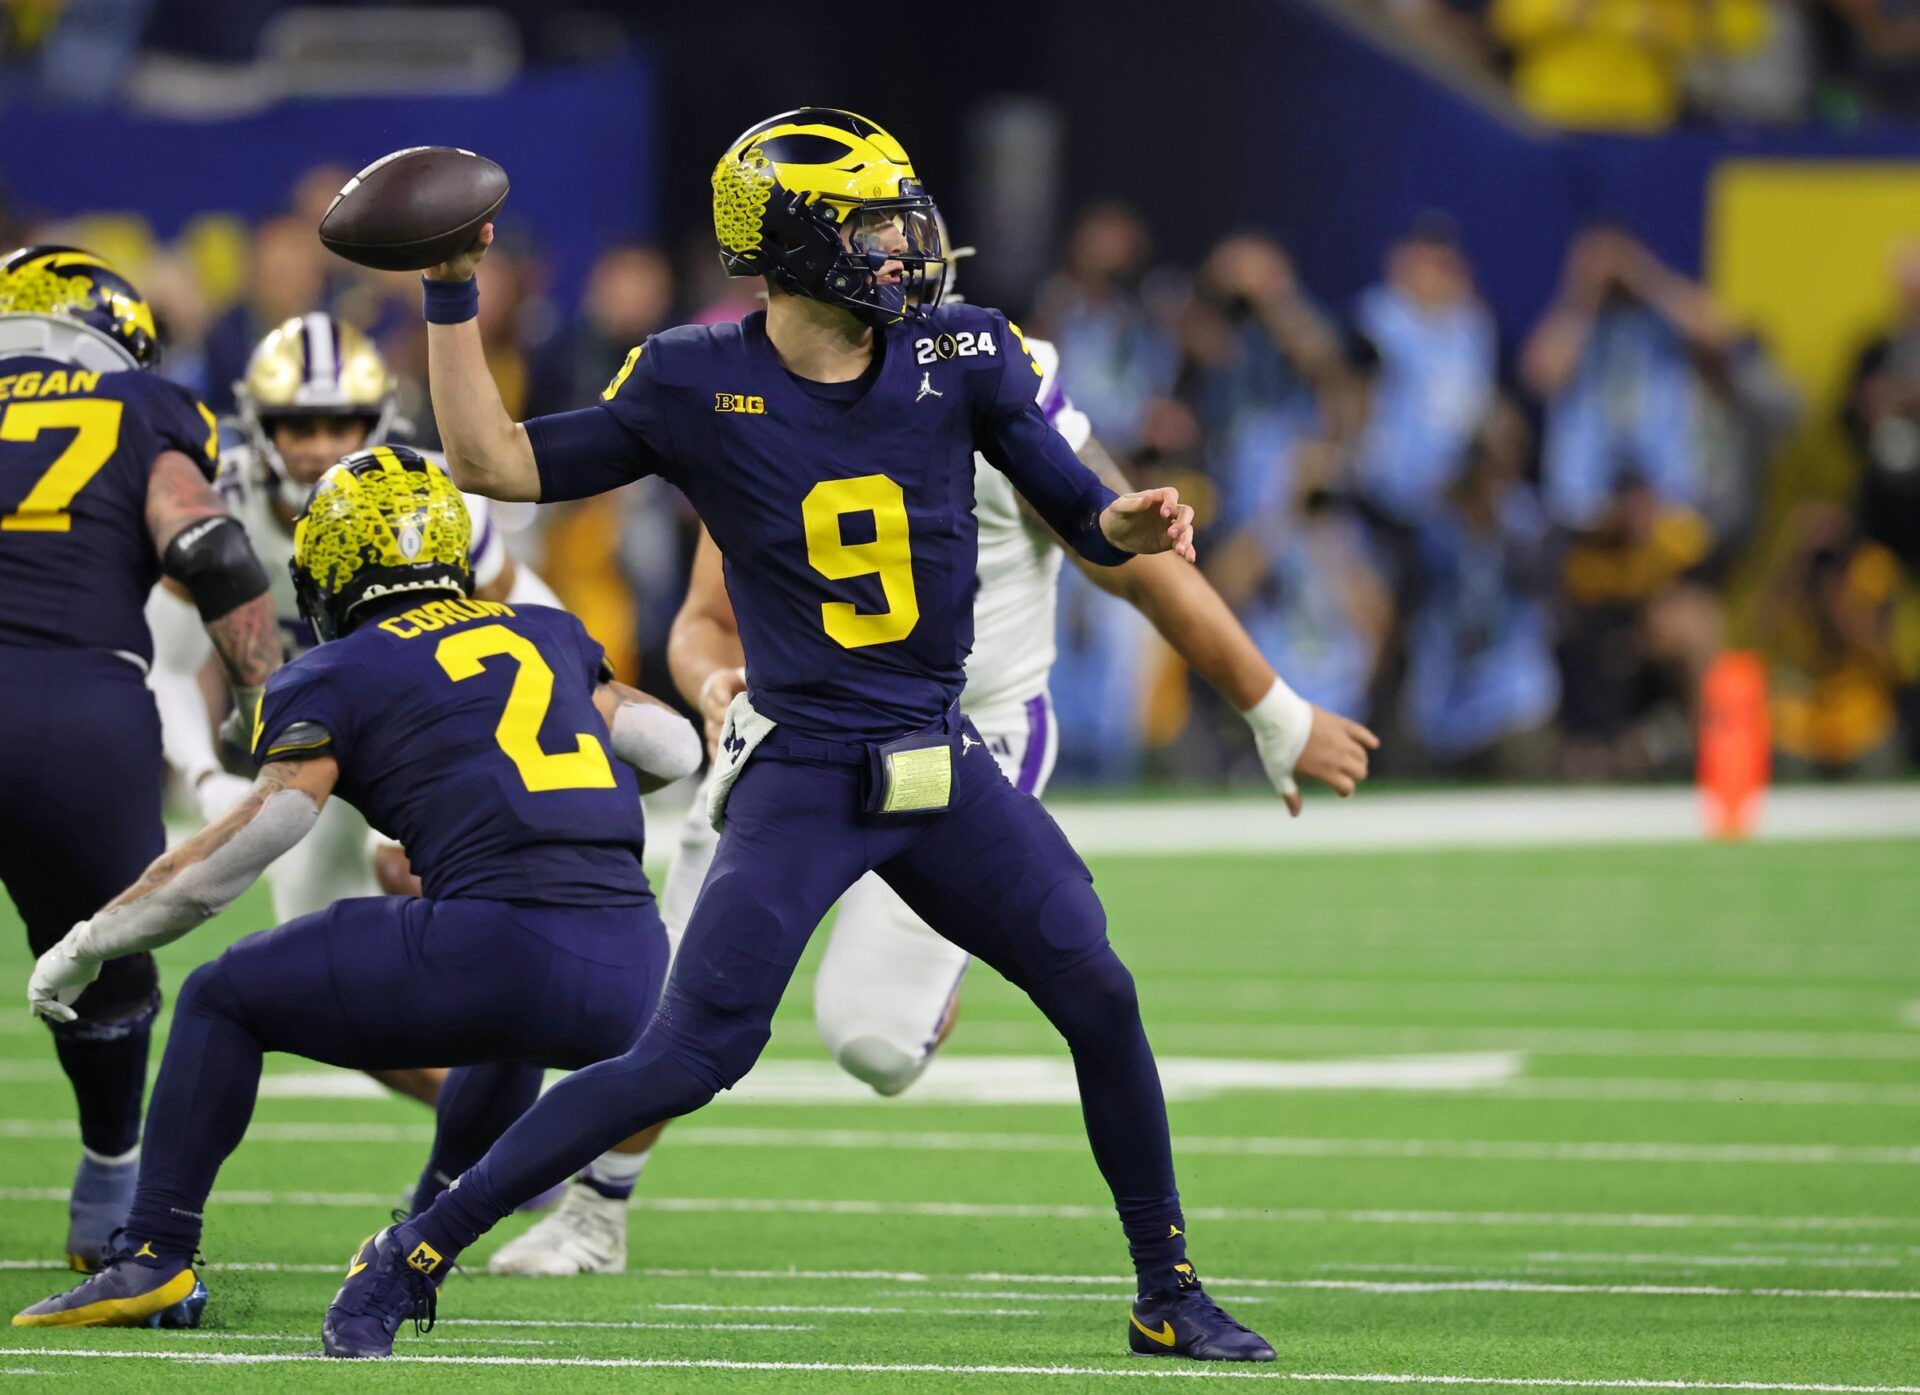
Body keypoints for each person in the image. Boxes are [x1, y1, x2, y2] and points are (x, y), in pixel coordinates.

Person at [324, 107, 1284, 1364]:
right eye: (870, 223)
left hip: (939, 756)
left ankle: (1168, 1286)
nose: (905, 244)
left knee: (1100, 993)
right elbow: (495, 462)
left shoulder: (966, 351)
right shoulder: (693, 377)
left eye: (902, 215)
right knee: (684, 1057)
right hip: (807, 765)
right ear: (787, 244)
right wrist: (454, 295)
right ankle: (413, 1252)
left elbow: (1079, 512)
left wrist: (1132, 524)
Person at [489, 241, 1378, 1279]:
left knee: (871, 1041)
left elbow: (1135, 561)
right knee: (673, 995)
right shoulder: (754, 393)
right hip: (802, 730)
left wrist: (1272, 709)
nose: (899, 279)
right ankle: (595, 1210)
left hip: (963, 737)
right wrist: (711, 682)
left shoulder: (986, 375)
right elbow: (700, 617)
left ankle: (954, 955)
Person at [14, 446, 701, 1330]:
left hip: (498, 944)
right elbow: (676, 749)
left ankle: (154, 1255)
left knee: (222, 995)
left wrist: (88, 941)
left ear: (331, 568)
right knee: (508, 1027)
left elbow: (234, 857)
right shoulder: (542, 629)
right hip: (631, 977)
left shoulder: (337, 669)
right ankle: (425, 1224)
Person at [0, 245, 282, 1271]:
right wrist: (260, 700)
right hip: (74, 707)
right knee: (108, 975)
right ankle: (107, 1191)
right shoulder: (143, 408)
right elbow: (204, 546)